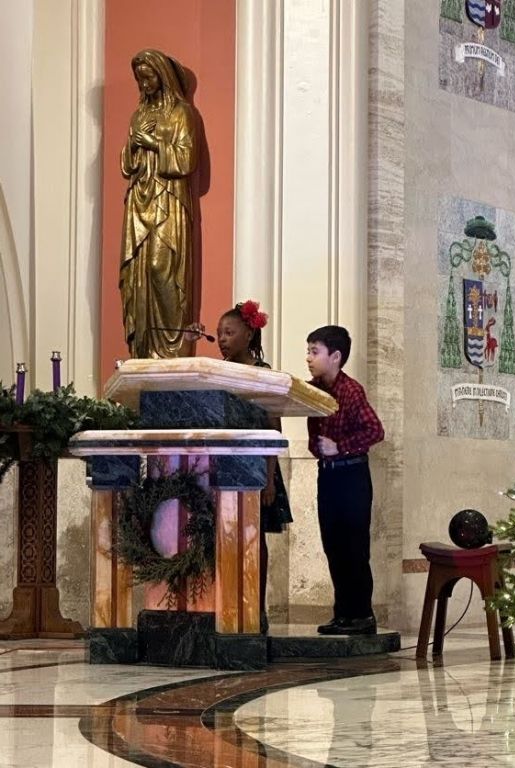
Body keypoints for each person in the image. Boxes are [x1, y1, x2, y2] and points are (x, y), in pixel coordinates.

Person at [196, 301, 292, 632]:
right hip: (221, 468)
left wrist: (269, 479)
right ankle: (225, 607)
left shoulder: (264, 374)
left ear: (248, 334)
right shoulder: (218, 373)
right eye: (219, 333)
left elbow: (273, 428)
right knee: (221, 538)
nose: (222, 339)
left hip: (255, 470)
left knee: (254, 540)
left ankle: (255, 609)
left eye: (229, 332)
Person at [306, 325, 384, 635]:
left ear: (335, 356)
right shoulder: (313, 391)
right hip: (327, 477)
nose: (308, 358)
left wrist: (340, 447)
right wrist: (320, 448)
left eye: (315, 351)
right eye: (308, 351)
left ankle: (362, 615)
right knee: (333, 546)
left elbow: (375, 430)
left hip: (352, 476)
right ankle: (343, 614)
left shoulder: (351, 391)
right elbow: (314, 436)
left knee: (354, 547)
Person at [120, 48, 197, 359]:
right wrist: (133, 146)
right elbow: (127, 164)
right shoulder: (138, 115)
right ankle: (144, 349)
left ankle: (169, 350)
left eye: (149, 77)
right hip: (140, 198)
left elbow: (186, 159)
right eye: (139, 79)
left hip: (168, 199)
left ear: (162, 76)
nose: (144, 84)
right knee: (138, 272)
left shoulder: (181, 113)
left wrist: (153, 143)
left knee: (160, 268)